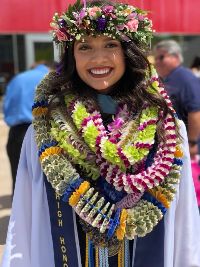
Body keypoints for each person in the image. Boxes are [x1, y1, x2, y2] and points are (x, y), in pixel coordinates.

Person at [1, 1, 200, 266]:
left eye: (111, 45)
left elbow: (184, 220)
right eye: (84, 47)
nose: (98, 59)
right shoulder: (45, 131)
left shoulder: (167, 129)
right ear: (72, 56)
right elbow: (25, 219)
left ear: (129, 52)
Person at [3, 62, 50, 194]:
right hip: (43, 132)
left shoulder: (17, 79)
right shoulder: (49, 77)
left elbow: (6, 108)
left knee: (18, 179)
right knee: (43, 185)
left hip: (17, 132)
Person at [153, 40, 200, 159]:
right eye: (156, 58)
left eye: (161, 57)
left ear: (176, 57)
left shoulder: (185, 78)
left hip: (186, 146)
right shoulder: (168, 79)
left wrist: (192, 143)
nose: (157, 62)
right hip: (173, 145)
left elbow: (195, 111)